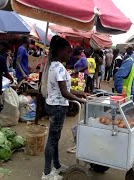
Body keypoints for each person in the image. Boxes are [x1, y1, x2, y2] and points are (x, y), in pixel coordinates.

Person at [41, 35, 86, 180]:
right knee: (52, 140)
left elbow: (66, 89)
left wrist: (83, 93)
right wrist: (80, 100)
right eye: (67, 52)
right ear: (60, 51)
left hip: (53, 105)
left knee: (55, 138)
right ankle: (47, 173)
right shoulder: (59, 67)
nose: (69, 55)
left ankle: (57, 166)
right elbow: (65, 92)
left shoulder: (54, 65)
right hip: (57, 107)